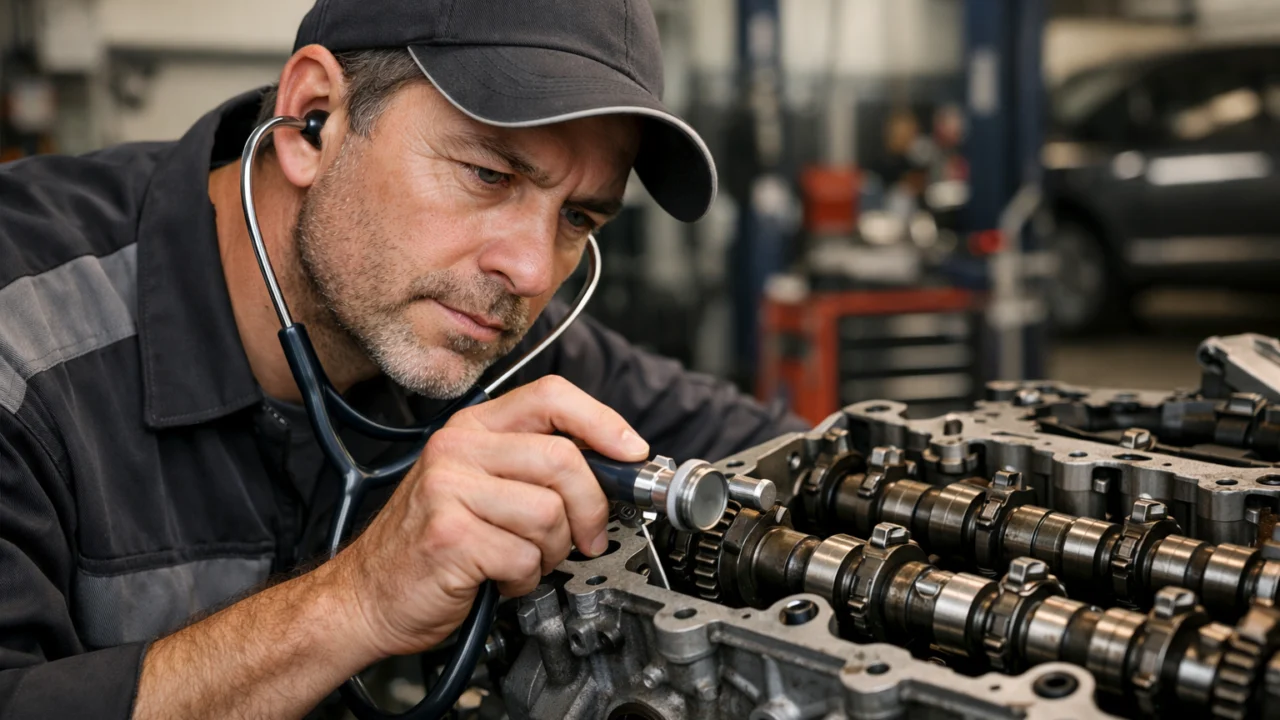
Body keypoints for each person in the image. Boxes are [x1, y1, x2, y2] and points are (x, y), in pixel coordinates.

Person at [0, 1, 806, 717]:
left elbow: (786, 452)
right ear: (315, 118)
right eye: (489, 174)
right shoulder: (26, 341)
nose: (529, 271)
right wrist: (357, 600)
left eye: (579, 219)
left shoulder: (491, 335)